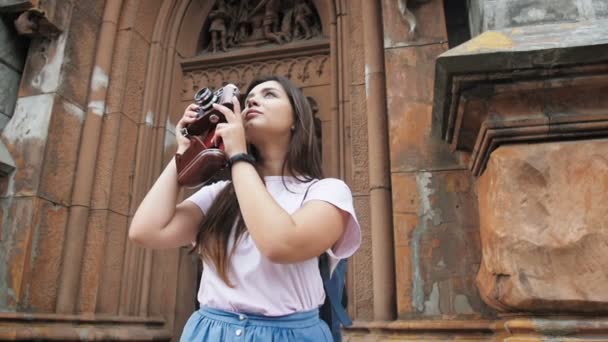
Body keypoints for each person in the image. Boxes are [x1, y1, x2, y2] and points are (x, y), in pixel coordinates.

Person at [128, 75, 361, 341]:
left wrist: (238, 155)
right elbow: (146, 231)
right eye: (248, 98)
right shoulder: (220, 195)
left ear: (297, 119)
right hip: (209, 332)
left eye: (269, 95)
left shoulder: (327, 191)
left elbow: (280, 245)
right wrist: (186, 153)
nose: (252, 101)